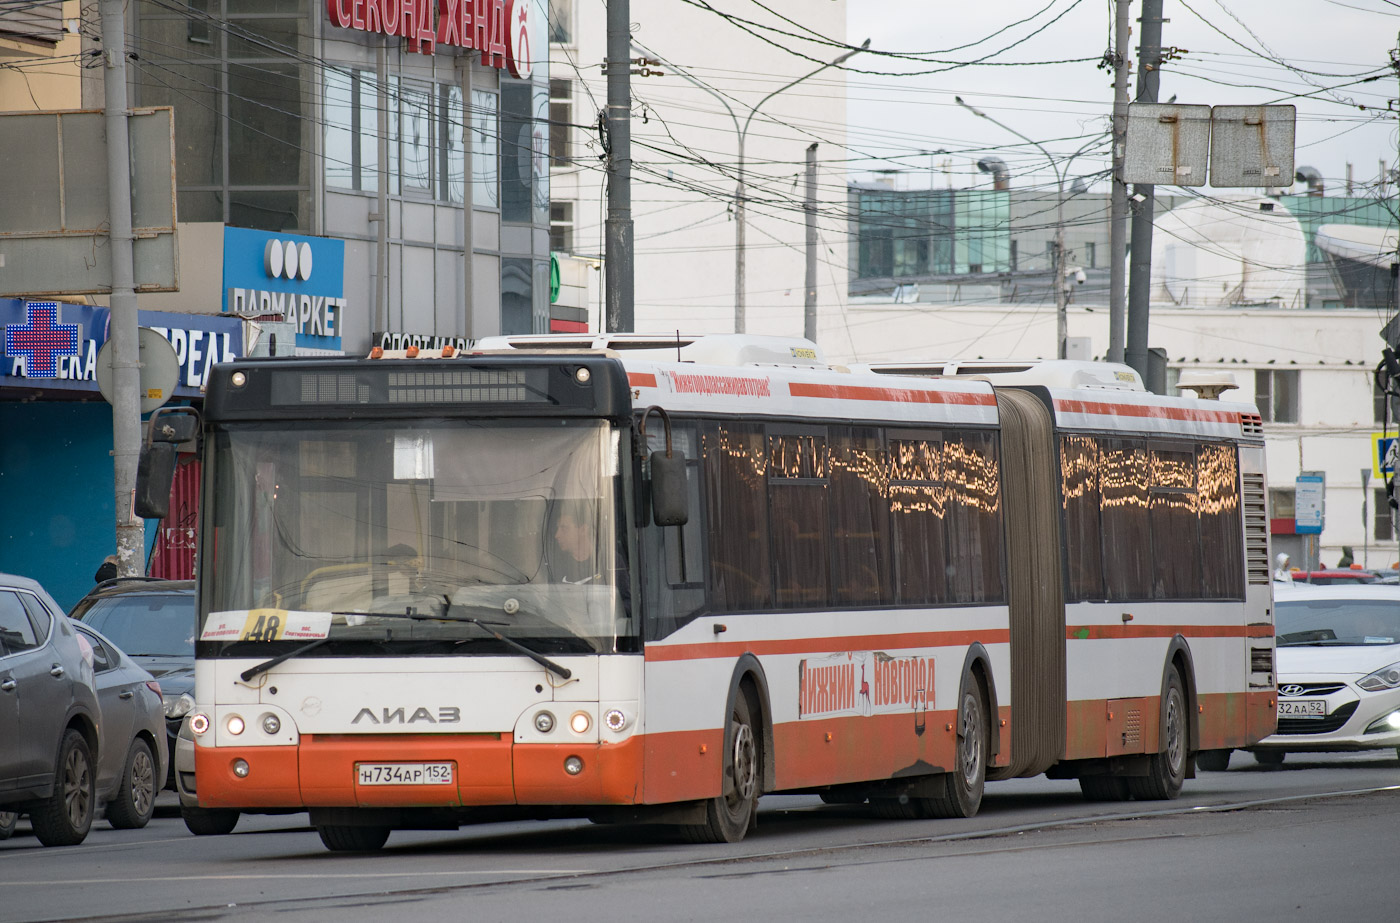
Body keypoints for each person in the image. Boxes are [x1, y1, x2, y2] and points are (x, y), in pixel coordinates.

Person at [551, 503, 603, 584]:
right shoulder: (555, 563)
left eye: (564, 528)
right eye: (558, 529)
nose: (557, 535)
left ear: (583, 530)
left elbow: (623, 595)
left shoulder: (607, 560)